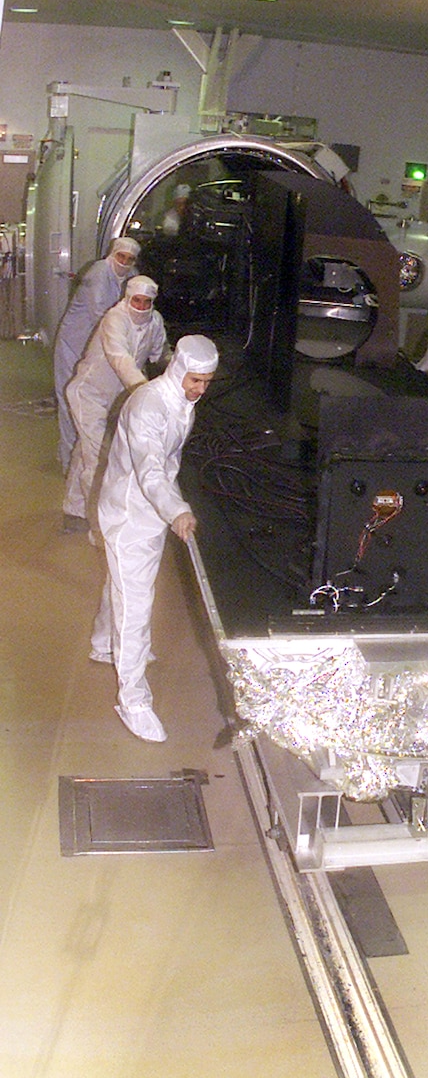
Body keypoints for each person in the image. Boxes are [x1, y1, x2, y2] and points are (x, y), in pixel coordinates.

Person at [90, 335, 219, 742]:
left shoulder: (180, 402)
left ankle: (99, 643)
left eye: (207, 382)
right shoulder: (150, 406)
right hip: (132, 514)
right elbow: (150, 470)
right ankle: (133, 700)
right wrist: (176, 509)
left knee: (123, 584)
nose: (200, 389)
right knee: (136, 606)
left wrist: (170, 506)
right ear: (179, 370)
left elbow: (166, 463)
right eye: (195, 380)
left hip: (145, 511)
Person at [63, 276, 170, 529]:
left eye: (147, 302)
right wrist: (143, 390)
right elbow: (119, 357)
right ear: (127, 298)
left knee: (86, 451)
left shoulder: (155, 322)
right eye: (137, 301)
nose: (141, 307)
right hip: (88, 394)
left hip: (115, 398)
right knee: (100, 458)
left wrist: (183, 371)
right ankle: (101, 528)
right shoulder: (115, 318)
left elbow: (160, 353)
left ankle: (74, 510)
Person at [53, 237, 140, 473]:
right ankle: (69, 459)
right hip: (74, 343)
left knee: (95, 406)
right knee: (71, 399)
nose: (124, 262)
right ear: (112, 254)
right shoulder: (100, 272)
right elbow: (101, 313)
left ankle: (87, 459)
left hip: (96, 350)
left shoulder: (132, 277)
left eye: (130, 259)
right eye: (121, 257)